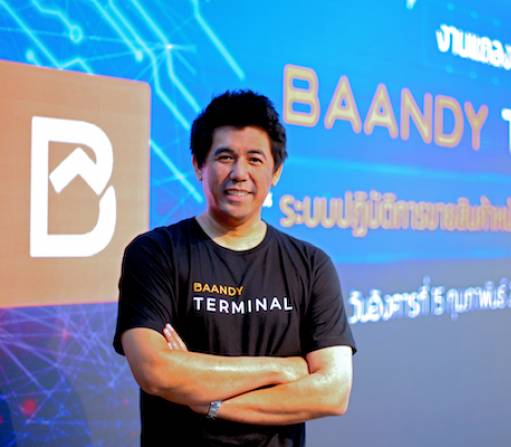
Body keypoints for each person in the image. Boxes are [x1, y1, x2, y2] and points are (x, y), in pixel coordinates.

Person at [113, 90, 356, 446]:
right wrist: (281, 368)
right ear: (199, 165)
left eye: (255, 159)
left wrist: (210, 403)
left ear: (276, 172)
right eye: (225, 157)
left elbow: (333, 392)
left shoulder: (311, 264)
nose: (239, 173)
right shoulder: (155, 253)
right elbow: (155, 370)